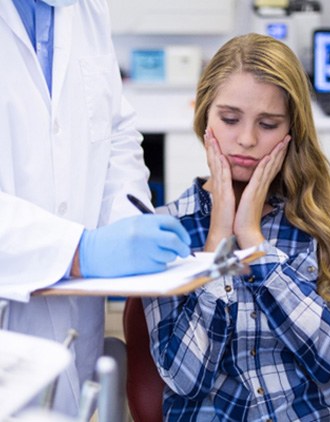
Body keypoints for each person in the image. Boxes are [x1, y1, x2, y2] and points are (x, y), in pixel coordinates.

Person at [142, 33, 330, 421]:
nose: (247, 140)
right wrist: (219, 243)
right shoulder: (164, 230)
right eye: (230, 119)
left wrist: (254, 243)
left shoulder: (325, 218)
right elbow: (185, 378)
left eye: (268, 124)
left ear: (292, 131)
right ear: (205, 116)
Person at [0, 0, 191, 417]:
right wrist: (78, 249)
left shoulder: (86, 9)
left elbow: (114, 130)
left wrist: (126, 223)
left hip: (77, 325)